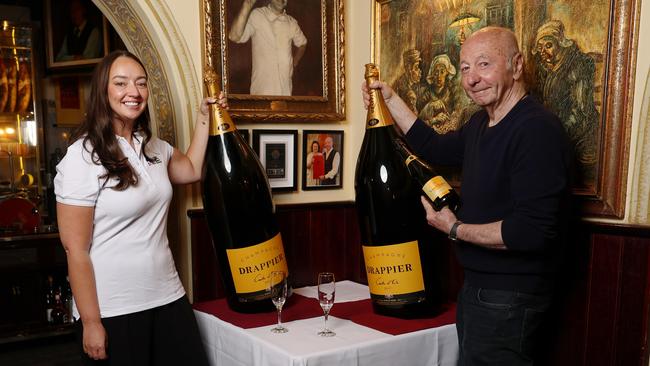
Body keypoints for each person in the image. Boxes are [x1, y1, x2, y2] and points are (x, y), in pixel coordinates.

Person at [362, 27, 572, 365]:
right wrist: (389, 100)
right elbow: (432, 146)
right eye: (464, 68)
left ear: (516, 66)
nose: (472, 79)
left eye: (484, 64)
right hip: (478, 289)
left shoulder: (536, 130)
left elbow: (531, 231)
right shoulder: (480, 124)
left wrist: (454, 228)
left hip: (510, 296)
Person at [54, 50, 226, 365]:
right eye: (121, 83)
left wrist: (205, 117)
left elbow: (191, 170)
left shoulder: (153, 146)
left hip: (168, 295)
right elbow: (74, 249)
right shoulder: (82, 156)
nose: (133, 92)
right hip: (114, 309)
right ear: (103, 93)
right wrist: (92, 323)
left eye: (141, 83)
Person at [532, 19, 599, 184]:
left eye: (548, 46)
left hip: (582, 136)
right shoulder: (550, 68)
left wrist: (553, 135)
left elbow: (580, 111)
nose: (543, 52)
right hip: (558, 132)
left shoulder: (578, 66)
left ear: (561, 44)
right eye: (540, 48)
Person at [229, 0, 307, 96]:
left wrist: (295, 62)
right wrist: (246, 6)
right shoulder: (257, 15)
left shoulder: (292, 23)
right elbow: (234, 36)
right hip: (261, 92)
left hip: (285, 94)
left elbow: (303, 43)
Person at [392, 49, 422, 113]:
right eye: (416, 68)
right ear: (409, 69)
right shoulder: (407, 93)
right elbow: (414, 119)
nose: (420, 71)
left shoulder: (411, 85)